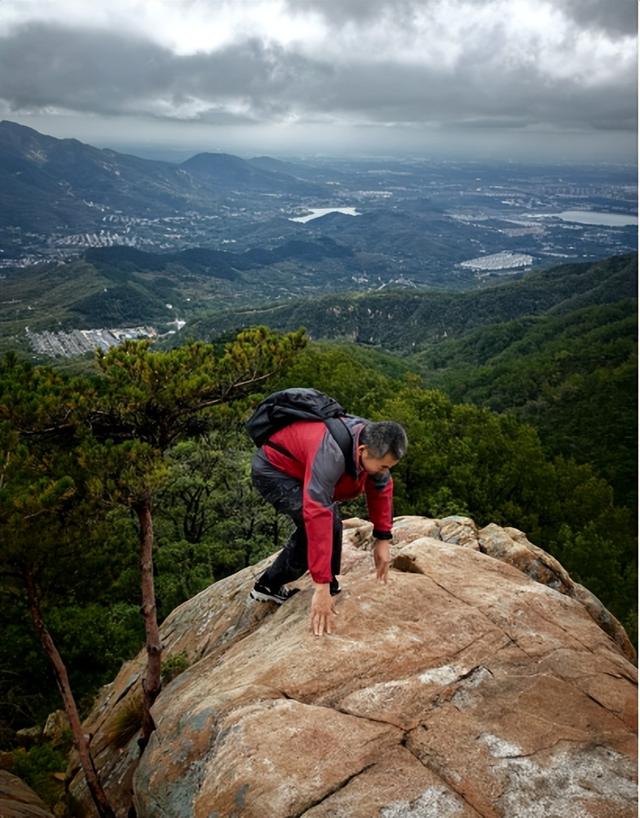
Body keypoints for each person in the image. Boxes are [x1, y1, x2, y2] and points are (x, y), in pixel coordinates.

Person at [249, 415, 408, 637]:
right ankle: (268, 586)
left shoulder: (374, 445)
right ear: (362, 450)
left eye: (389, 466)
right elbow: (316, 515)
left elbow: (381, 488)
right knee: (316, 525)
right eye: (383, 466)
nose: (385, 470)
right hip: (274, 470)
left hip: (301, 467)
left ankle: (325, 580)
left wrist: (382, 538)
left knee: (330, 520)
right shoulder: (331, 454)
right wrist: (320, 586)